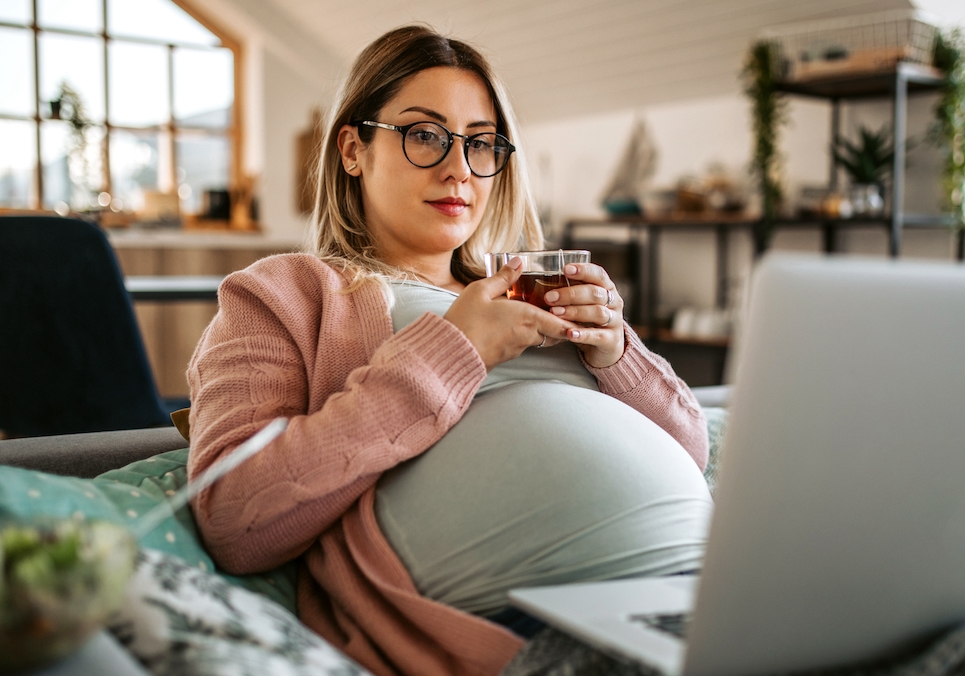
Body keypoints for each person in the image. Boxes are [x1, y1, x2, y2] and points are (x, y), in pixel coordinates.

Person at [186, 24, 712, 676]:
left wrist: (617, 355)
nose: (459, 168)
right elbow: (235, 514)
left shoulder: (528, 285)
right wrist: (454, 349)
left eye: (481, 143)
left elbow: (692, 452)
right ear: (354, 149)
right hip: (545, 622)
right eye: (425, 134)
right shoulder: (286, 293)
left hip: (710, 585)